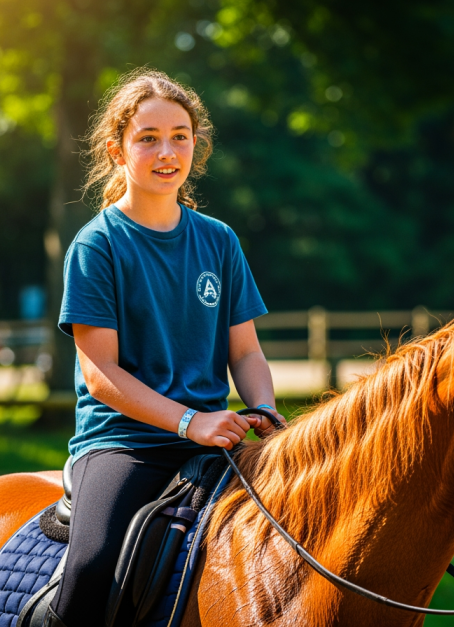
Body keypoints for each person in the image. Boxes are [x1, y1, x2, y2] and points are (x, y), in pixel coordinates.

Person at [47, 69, 284, 627]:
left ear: (195, 145)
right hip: (125, 444)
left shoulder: (219, 240)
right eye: (148, 138)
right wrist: (188, 422)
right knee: (93, 568)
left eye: (180, 136)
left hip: (217, 440)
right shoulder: (96, 245)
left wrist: (266, 410)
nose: (166, 151)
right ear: (117, 150)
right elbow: (100, 373)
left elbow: (245, 353)